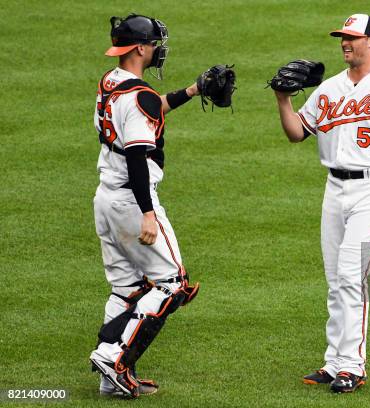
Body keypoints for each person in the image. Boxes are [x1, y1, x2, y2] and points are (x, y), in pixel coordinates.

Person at [273, 14, 370, 393]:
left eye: (352, 37)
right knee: (335, 280)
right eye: (342, 37)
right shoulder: (329, 89)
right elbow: (296, 133)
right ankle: (334, 362)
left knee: (350, 277)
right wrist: (283, 99)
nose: (344, 42)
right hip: (334, 188)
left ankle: (353, 367)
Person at [89, 14, 200, 398]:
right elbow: (137, 156)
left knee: (127, 291)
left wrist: (193, 89)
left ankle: (112, 381)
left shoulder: (111, 81)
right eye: (154, 43)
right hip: (132, 200)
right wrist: (148, 214)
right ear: (140, 48)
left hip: (106, 198)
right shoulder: (140, 96)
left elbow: (152, 109)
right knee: (173, 284)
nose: (158, 49)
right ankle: (112, 355)